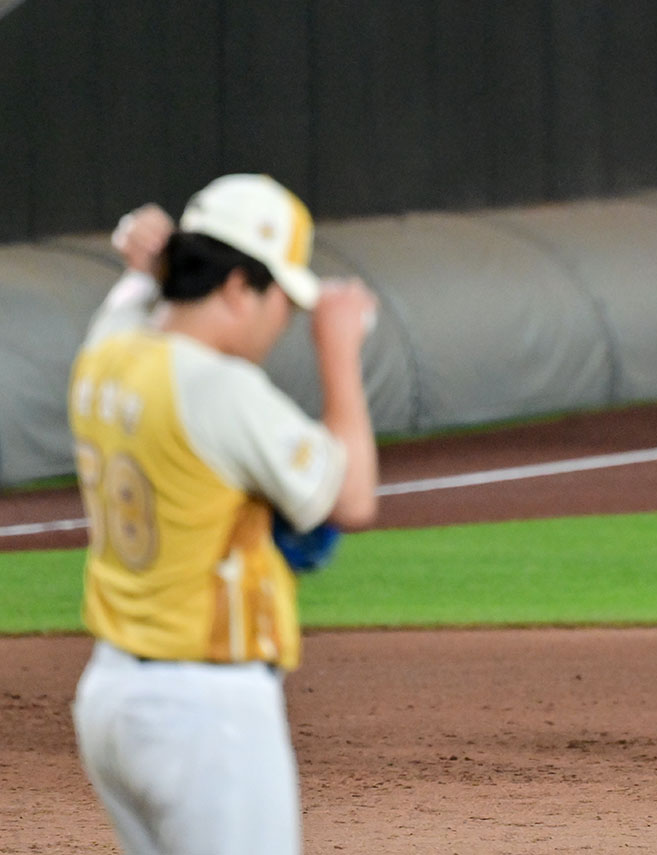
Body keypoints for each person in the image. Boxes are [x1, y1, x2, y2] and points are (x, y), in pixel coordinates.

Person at [69, 174, 379, 852]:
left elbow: (133, 298)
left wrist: (150, 266)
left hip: (109, 696)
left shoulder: (105, 350)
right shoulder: (219, 389)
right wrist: (339, 352)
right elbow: (352, 497)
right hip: (205, 714)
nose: (283, 320)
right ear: (239, 286)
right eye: (280, 300)